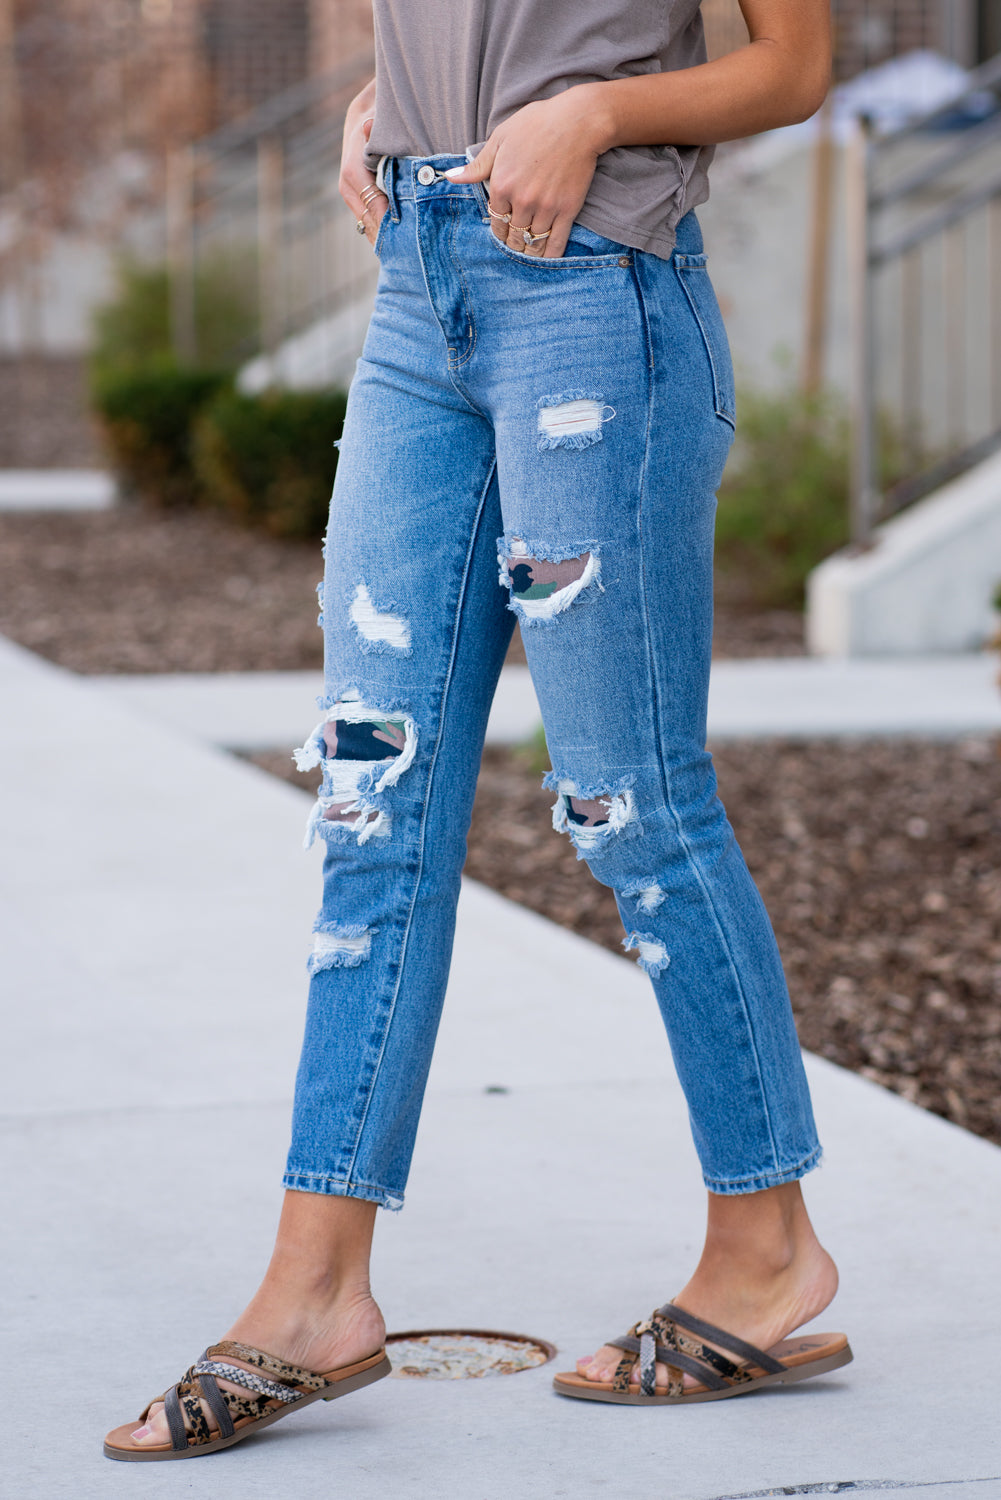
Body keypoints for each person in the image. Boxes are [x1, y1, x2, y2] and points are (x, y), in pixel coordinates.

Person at [104, 0, 850, 1460]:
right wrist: (383, 103)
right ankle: (315, 1294)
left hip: (597, 294)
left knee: (631, 802)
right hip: (417, 279)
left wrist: (595, 113)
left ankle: (767, 1252)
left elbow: (795, 65)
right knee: (369, 802)